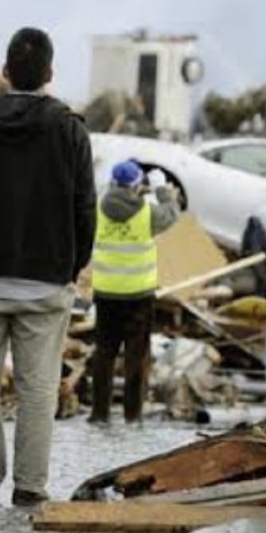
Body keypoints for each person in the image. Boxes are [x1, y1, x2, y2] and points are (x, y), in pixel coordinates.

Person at [0, 26, 96, 507]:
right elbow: (85, 207)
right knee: (39, 391)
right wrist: (72, 265)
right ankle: (30, 486)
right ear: (50, 74)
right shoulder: (70, 129)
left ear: (5, 72)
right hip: (47, 284)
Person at [88, 161, 181, 424]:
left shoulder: (97, 210)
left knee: (104, 354)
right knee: (136, 357)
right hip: (138, 296)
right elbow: (172, 214)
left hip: (106, 294)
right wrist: (161, 189)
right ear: (136, 185)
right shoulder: (148, 213)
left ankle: (99, 413)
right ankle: (132, 415)